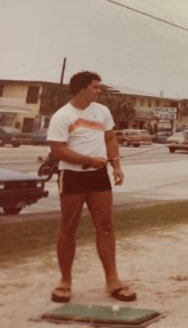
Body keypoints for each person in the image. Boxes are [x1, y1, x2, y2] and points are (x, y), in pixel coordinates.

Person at [47, 71, 136, 303]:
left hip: (99, 176)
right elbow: (57, 150)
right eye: (96, 87)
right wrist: (87, 160)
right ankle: (65, 282)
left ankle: (113, 281)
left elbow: (109, 138)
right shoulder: (62, 115)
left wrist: (116, 166)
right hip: (73, 175)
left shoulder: (102, 111)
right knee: (69, 228)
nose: (99, 91)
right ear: (82, 89)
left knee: (106, 226)